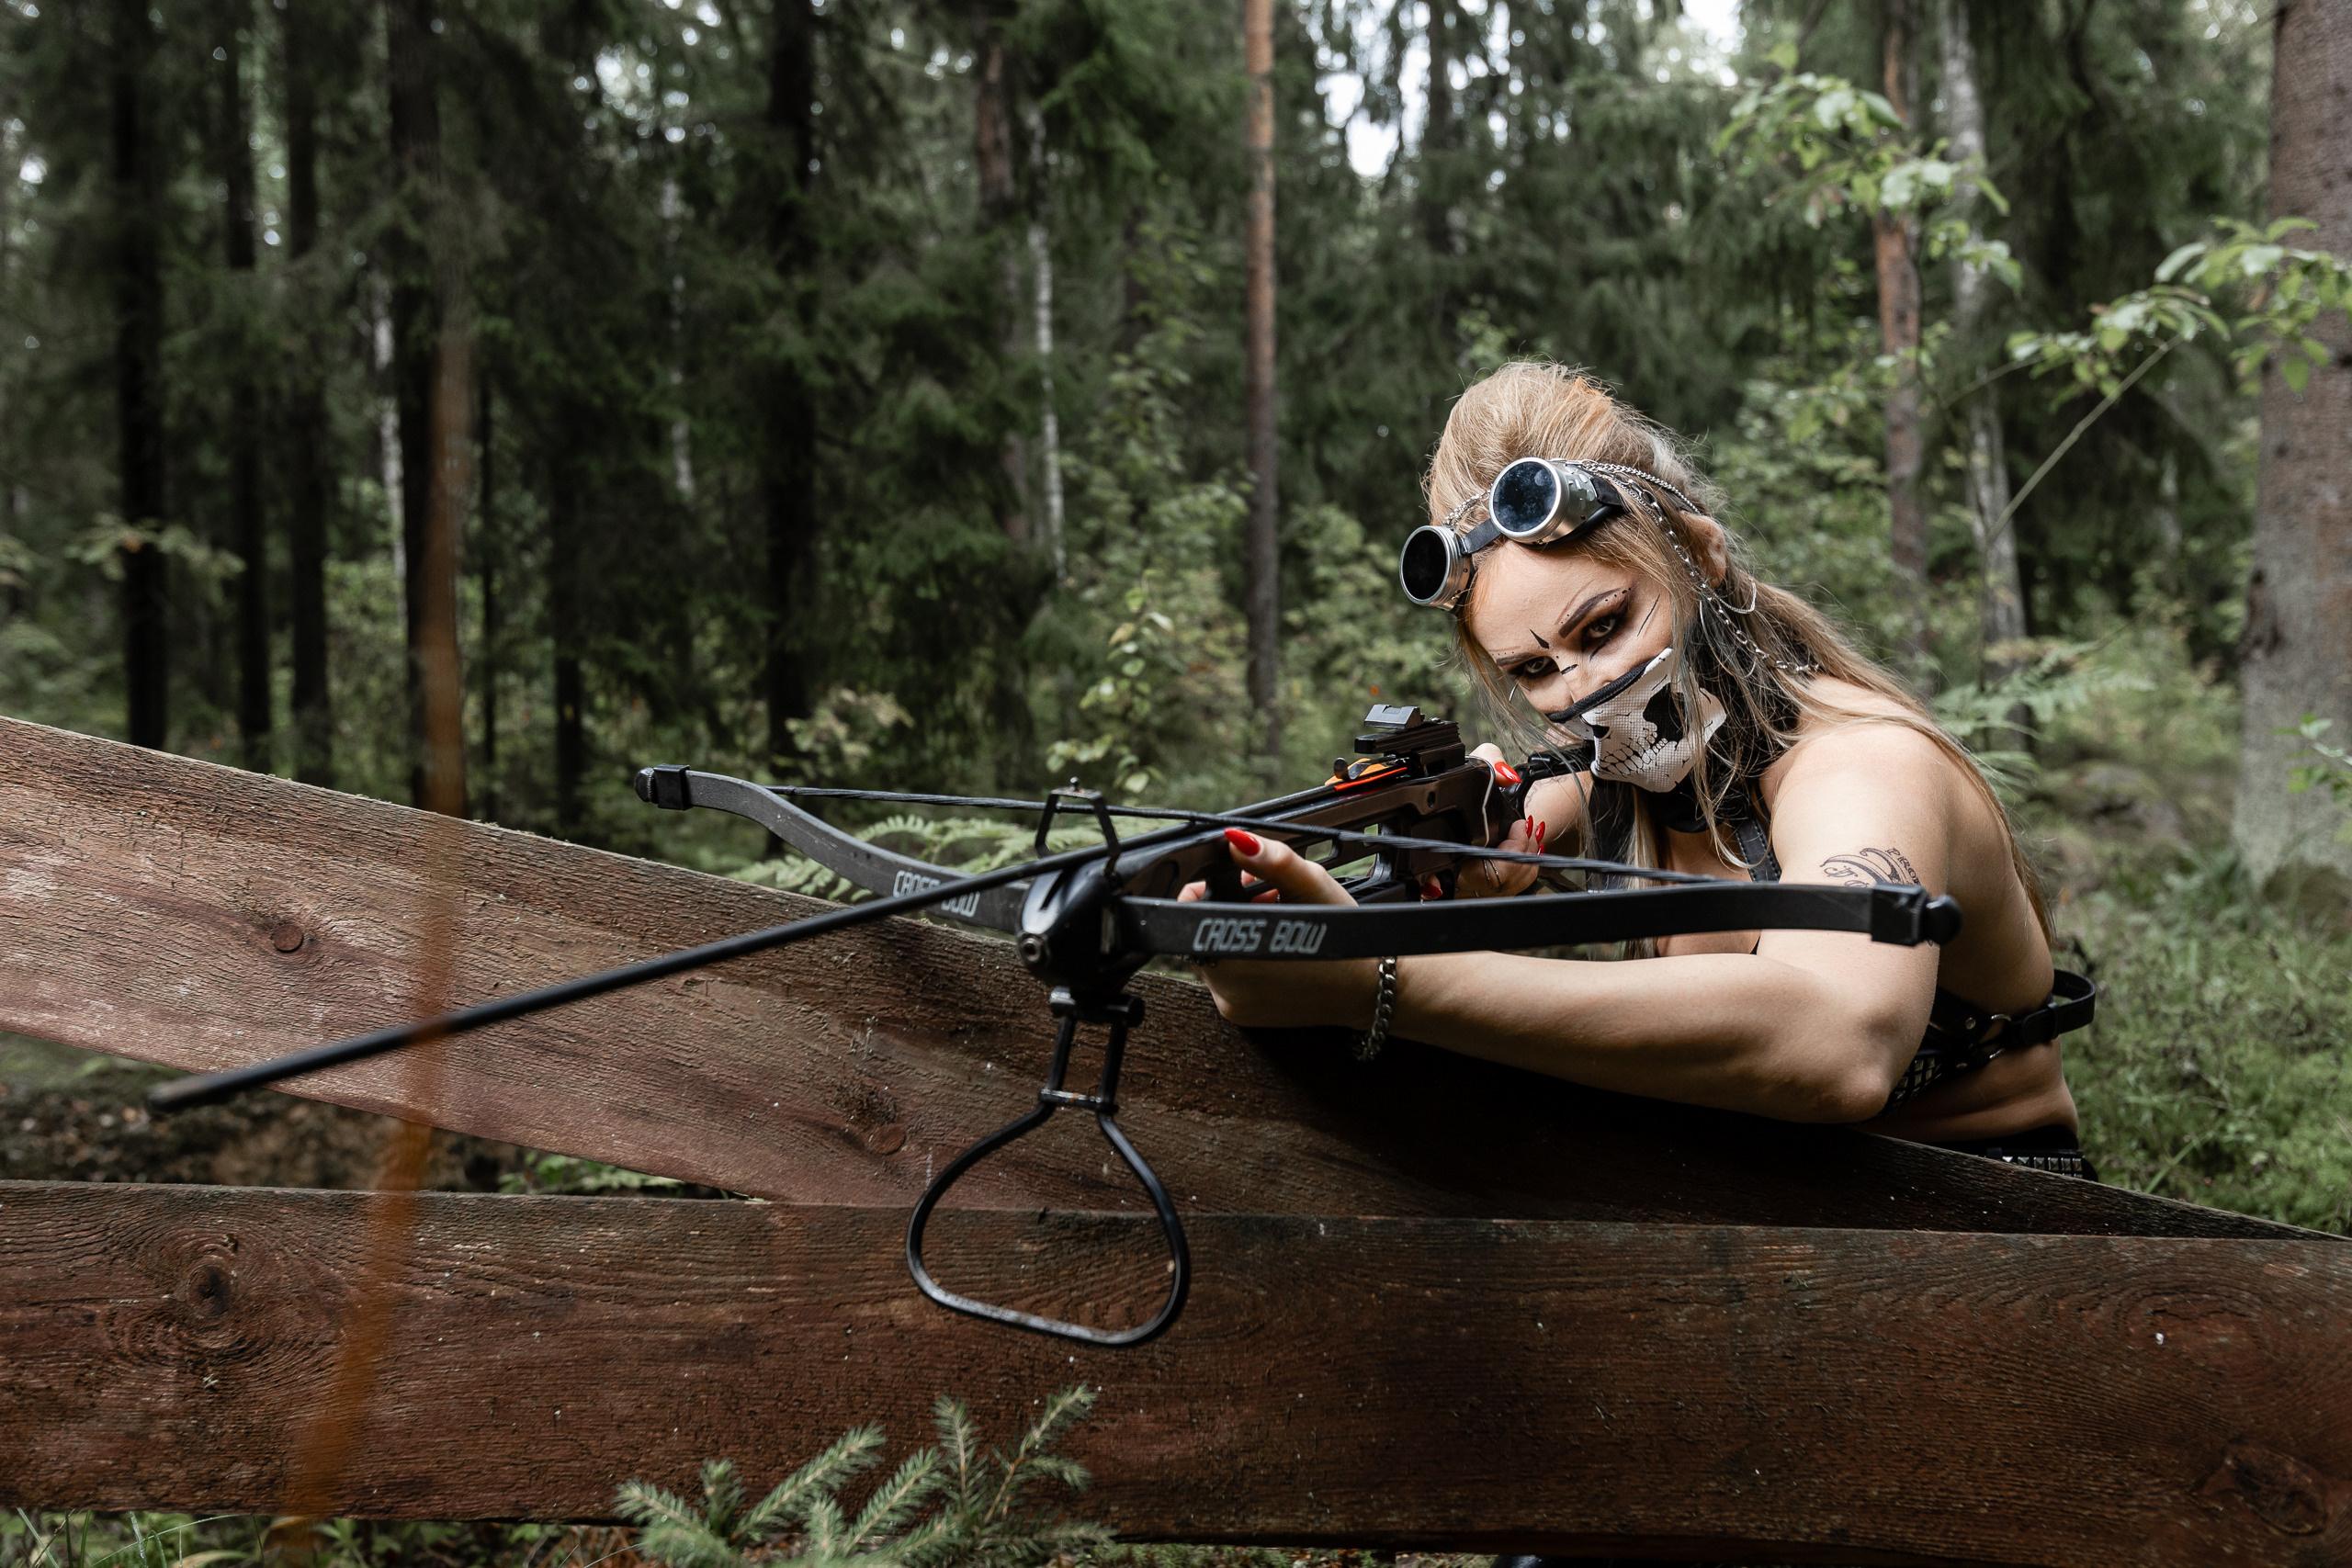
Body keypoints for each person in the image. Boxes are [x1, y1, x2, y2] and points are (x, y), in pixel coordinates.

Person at [1183, 362, 2094, 1172]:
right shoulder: (1606, 776)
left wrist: (1378, 976)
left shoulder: (1862, 763)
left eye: (1605, 625)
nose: (1583, 689)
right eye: (1534, 670)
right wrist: (1440, 874)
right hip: (1760, 1207)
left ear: (1699, 555)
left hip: (1997, 1215)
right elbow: (1492, 826)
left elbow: (1839, 1044)